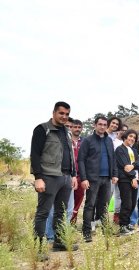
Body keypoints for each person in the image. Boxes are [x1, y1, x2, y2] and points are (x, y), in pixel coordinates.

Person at [31, 101, 78, 259]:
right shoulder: (42, 129)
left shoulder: (66, 131)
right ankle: (38, 249)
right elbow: (35, 154)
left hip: (65, 177)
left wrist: (73, 175)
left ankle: (59, 242)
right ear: (54, 113)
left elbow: (70, 155)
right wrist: (38, 178)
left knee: (61, 212)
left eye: (67, 114)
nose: (64, 117)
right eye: (61, 113)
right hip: (49, 176)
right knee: (43, 213)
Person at [78, 116, 118, 242]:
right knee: (90, 205)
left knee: (104, 206)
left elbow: (113, 159)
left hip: (106, 179)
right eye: (100, 124)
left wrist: (115, 174)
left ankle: (105, 230)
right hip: (92, 179)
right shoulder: (87, 140)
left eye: (104, 124)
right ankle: (87, 232)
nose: (102, 127)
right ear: (95, 125)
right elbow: (81, 160)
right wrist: (84, 178)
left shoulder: (109, 141)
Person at [115, 129, 139, 235]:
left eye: (134, 138)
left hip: (134, 179)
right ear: (125, 136)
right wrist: (133, 178)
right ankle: (122, 227)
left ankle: (127, 225)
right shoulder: (120, 150)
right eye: (130, 136)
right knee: (127, 203)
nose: (132, 139)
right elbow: (125, 166)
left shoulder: (133, 150)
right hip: (125, 180)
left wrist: (134, 165)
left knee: (132, 204)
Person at [70, 119, 84, 224]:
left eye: (79, 127)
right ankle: (62, 224)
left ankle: (72, 222)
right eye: (75, 127)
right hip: (67, 175)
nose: (77, 129)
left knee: (78, 199)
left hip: (80, 175)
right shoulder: (65, 140)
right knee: (66, 200)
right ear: (70, 128)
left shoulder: (84, 142)